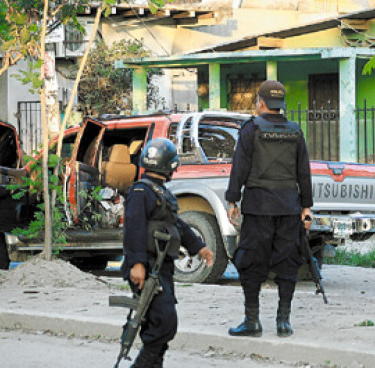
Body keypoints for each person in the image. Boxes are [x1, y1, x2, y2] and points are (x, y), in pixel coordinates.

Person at [225, 80, 313, 337]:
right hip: (288, 207)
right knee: (288, 263)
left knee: (252, 262)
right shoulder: (295, 131)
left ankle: (252, 321)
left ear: (261, 103)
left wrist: (232, 200)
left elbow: (239, 168)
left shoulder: (250, 129)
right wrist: (306, 207)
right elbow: (303, 172)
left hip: (258, 207)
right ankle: (283, 322)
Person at [122, 138, 214, 367]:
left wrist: (199, 248)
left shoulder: (159, 192)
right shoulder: (141, 191)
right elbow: (133, 228)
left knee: (159, 326)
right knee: (163, 324)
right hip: (148, 268)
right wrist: (137, 263)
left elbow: (177, 225)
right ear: (170, 166)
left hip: (161, 267)